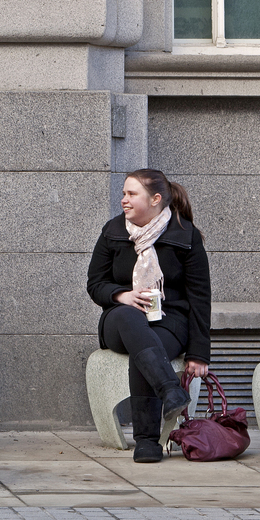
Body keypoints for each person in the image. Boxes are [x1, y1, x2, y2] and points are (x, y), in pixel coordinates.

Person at [87, 169, 211, 463]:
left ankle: (147, 441)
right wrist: (122, 296)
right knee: (132, 320)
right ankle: (170, 391)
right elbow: (95, 284)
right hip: (119, 320)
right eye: (123, 193)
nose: (123, 200)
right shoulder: (113, 231)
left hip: (170, 322)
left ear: (156, 199)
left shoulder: (186, 236)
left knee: (146, 346)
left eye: (131, 194)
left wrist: (199, 353)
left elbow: (199, 298)